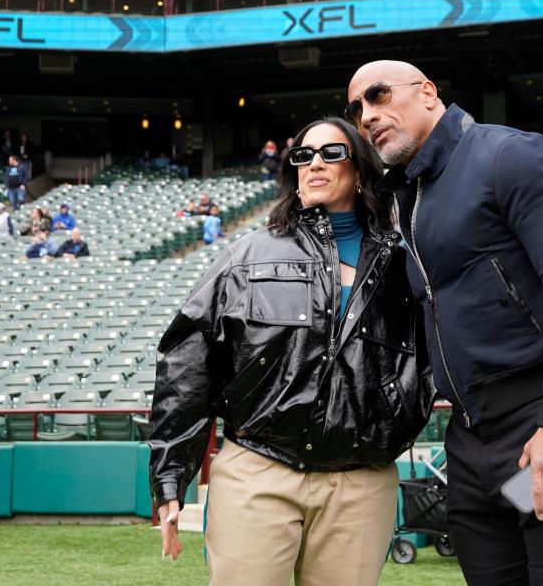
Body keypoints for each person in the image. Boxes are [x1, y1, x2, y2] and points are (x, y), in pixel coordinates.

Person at [348, 60, 543, 585]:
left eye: (379, 95)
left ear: (428, 91)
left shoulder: (510, 154)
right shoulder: (405, 197)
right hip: (470, 443)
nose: (367, 115)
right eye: (357, 108)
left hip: (541, 424)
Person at [151, 116, 432, 584]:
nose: (314, 163)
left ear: (360, 169)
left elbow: (435, 354)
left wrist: (398, 417)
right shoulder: (249, 254)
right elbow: (188, 360)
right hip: (258, 470)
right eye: (303, 155)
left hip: (360, 481)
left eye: (331, 153)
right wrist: (170, 477)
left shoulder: (407, 262)